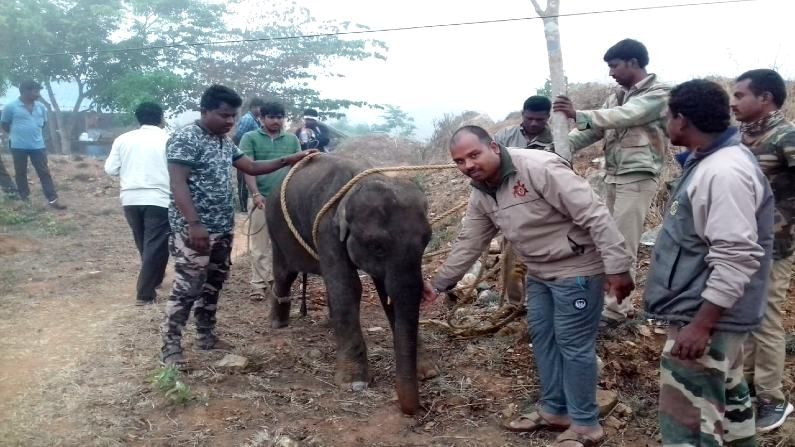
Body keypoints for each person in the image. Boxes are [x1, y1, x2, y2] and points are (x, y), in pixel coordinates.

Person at [423, 125, 634, 447]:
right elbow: (470, 240)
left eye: (474, 155)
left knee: (573, 345)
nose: (468, 165)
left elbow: (594, 215)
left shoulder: (539, 168)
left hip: (577, 269)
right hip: (539, 272)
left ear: (493, 147)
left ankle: (586, 424)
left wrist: (618, 268)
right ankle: (554, 410)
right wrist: (439, 284)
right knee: (543, 338)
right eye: (460, 161)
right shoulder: (482, 189)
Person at [644, 79, 773, 446]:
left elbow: (736, 257)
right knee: (730, 410)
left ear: (682, 120)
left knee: (690, 424)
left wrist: (701, 326)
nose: (666, 124)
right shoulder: (713, 161)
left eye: (668, 117)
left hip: (706, 320)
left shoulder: (724, 172)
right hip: (714, 317)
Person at [161, 85, 316, 366]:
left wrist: (289, 159)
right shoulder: (186, 139)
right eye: (224, 115)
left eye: (233, 116)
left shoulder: (224, 141)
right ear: (204, 110)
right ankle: (171, 347)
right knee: (188, 287)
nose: (230, 122)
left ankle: (206, 335)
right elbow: (177, 183)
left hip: (222, 227)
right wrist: (194, 224)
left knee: (213, 284)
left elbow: (251, 167)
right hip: (194, 230)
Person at [553, 38, 669, 325]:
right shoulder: (617, 96)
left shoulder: (659, 93)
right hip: (613, 176)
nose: (610, 73)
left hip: (639, 177)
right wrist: (555, 151)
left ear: (633, 63)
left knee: (623, 244)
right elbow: (593, 132)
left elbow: (623, 116)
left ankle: (617, 309)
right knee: (607, 239)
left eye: (614, 66)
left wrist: (578, 115)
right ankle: (615, 302)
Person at [731, 68, 795, 433]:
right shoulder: (739, 138)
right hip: (739, 245)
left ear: (766, 98)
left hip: (774, 245)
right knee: (746, 316)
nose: (733, 102)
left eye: (740, 95)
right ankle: (751, 384)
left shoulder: (787, 137)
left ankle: (773, 398)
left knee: (766, 319)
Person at [104, 102, 171, 306]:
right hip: (159, 198)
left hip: (130, 198)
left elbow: (110, 169)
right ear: (161, 118)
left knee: (144, 242)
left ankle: (155, 279)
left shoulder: (123, 139)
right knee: (155, 244)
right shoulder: (168, 139)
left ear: (138, 118)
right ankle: (145, 294)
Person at [495, 95, 554, 307]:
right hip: (510, 205)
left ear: (548, 117)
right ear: (523, 115)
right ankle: (514, 305)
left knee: (541, 260)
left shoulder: (556, 140)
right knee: (511, 259)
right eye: (530, 118)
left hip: (542, 209)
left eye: (540, 120)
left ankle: (539, 303)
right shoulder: (504, 136)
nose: (534, 123)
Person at [239, 101, 301, 298]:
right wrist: (255, 194)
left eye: (280, 117)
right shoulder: (250, 138)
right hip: (262, 197)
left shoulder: (292, 140)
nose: (276, 121)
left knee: (284, 244)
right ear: (262, 118)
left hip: (285, 199)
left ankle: (280, 283)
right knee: (259, 244)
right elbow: (248, 168)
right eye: (272, 117)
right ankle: (258, 284)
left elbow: (297, 168)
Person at [0, 80, 66, 209]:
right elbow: (5, 124)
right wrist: (18, 134)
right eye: (35, 91)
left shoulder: (41, 107)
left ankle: (53, 200)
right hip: (18, 146)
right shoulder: (11, 107)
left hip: (37, 146)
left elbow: (43, 125)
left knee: (44, 172)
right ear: (25, 92)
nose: (38, 94)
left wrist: (32, 134)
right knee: (20, 173)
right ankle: (25, 199)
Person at [233, 97, 266, 212]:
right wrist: (240, 154)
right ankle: (242, 207)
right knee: (243, 181)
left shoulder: (256, 120)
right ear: (253, 107)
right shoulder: (247, 119)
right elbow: (237, 136)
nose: (261, 110)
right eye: (259, 107)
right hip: (244, 154)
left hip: (252, 156)